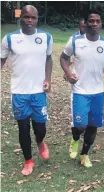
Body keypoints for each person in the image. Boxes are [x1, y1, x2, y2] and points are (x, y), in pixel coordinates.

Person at [60, 10, 104, 168]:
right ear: (85, 23)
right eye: (91, 21)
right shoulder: (75, 41)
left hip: (97, 92)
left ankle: (84, 154)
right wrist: (68, 72)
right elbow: (63, 58)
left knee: (93, 126)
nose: (94, 24)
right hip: (80, 91)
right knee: (80, 126)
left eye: (97, 21)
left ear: (101, 24)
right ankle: (75, 139)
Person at [1, 5, 53, 176]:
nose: (30, 21)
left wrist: (48, 79)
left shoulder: (46, 37)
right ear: (20, 17)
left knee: (40, 129)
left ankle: (40, 142)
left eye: (34, 18)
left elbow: (48, 58)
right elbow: (1, 60)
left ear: (37, 19)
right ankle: (28, 160)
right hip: (19, 92)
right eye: (26, 17)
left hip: (39, 92)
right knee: (23, 128)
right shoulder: (9, 39)